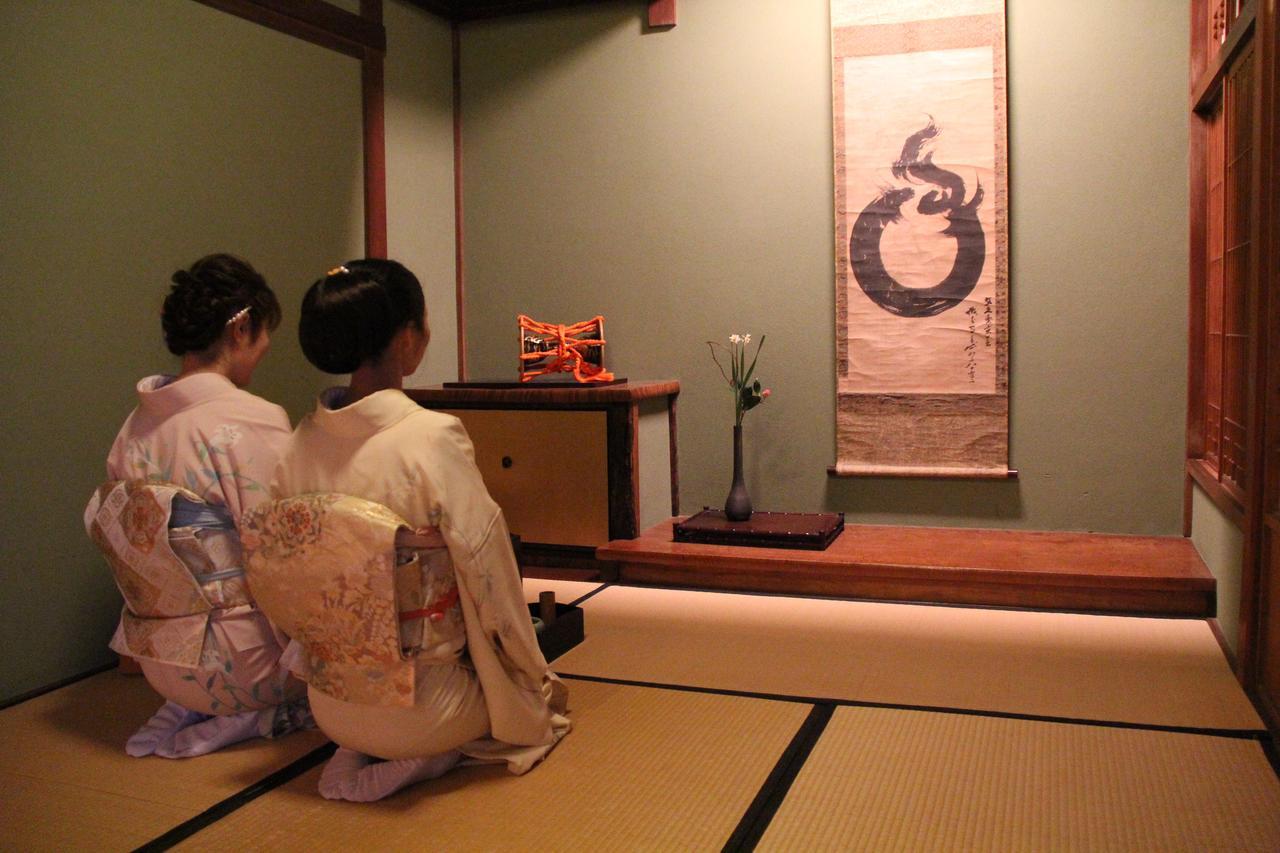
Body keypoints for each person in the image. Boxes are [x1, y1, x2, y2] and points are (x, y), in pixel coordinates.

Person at [272, 259, 569, 802]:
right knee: (533, 707)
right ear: (408, 338)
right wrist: (533, 676)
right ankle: (425, 755)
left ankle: (356, 746)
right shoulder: (429, 437)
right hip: (426, 707)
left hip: (327, 699)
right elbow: (490, 573)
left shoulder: (297, 444)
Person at [102, 253, 305, 758]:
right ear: (240, 329)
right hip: (245, 665)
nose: (263, 351)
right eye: (262, 337)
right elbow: (281, 556)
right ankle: (261, 715)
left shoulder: (134, 428)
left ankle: (194, 705)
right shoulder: (249, 420)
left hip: (158, 660)